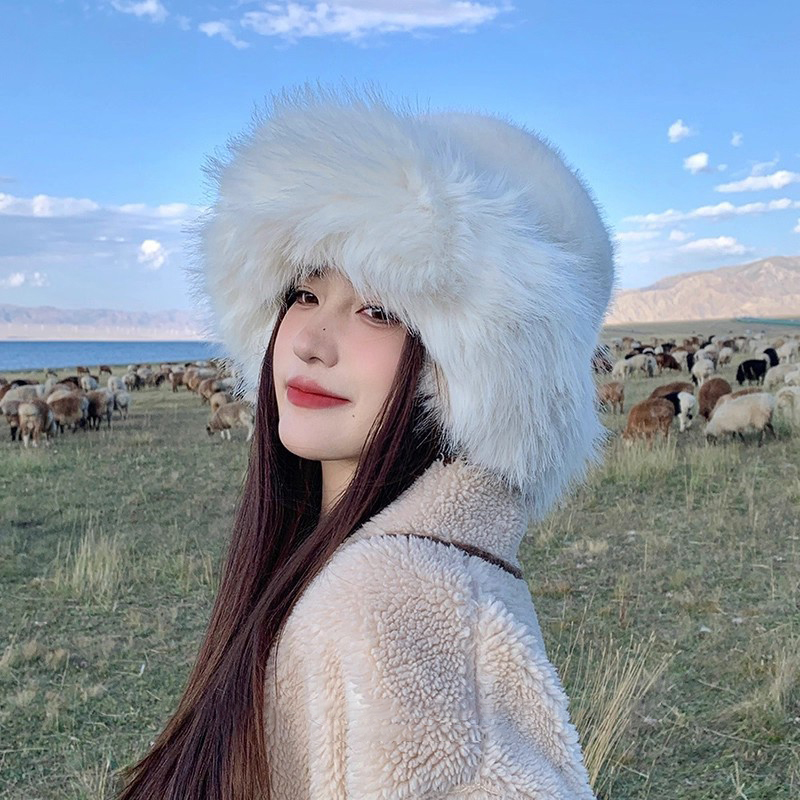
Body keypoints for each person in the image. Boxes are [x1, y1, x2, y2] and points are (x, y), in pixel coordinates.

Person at [117, 86, 615, 800]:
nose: (312, 342)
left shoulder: (387, 605)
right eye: (304, 293)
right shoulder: (403, 575)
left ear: (468, 370)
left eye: (378, 310)